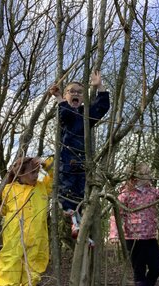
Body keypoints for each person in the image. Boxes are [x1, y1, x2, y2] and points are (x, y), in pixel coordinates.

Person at [49, 70, 110, 238]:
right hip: (67, 159)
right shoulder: (64, 112)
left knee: (82, 193)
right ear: (66, 95)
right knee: (67, 192)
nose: (75, 94)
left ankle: (82, 229)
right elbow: (66, 113)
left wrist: (100, 87)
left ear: (83, 97)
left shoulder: (85, 114)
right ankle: (72, 219)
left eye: (79, 92)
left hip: (83, 160)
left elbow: (102, 107)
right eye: (71, 91)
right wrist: (59, 97)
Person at [0, 156, 54, 286]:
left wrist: (45, 163)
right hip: (13, 242)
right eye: (32, 172)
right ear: (20, 174)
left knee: (30, 280)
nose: (35, 175)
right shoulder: (9, 190)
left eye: (37, 172)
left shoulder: (42, 187)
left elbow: (57, 171)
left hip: (36, 243)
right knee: (8, 276)